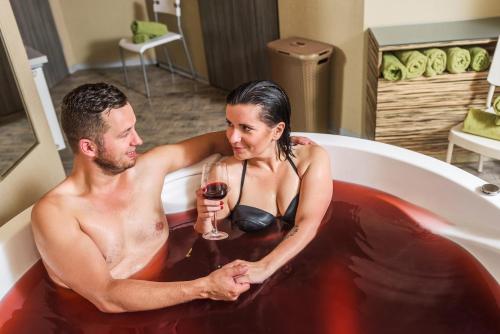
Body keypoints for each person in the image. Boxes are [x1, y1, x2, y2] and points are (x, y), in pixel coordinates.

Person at [31, 83, 252, 313]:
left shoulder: (150, 168)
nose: (138, 140)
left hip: (171, 286)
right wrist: (205, 287)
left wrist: (278, 144)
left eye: (133, 128)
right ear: (89, 147)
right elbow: (106, 296)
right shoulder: (56, 213)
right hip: (102, 322)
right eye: (125, 134)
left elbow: (216, 142)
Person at [194, 80, 333, 283]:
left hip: (311, 264)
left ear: (277, 131)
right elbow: (210, 238)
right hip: (248, 268)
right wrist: (204, 218)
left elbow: (308, 222)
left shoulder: (311, 159)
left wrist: (264, 268)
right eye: (229, 125)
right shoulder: (226, 173)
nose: (232, 138)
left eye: (245, 128)